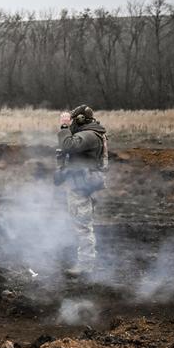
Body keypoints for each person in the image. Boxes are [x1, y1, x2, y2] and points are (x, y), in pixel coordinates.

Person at [57, 104, 108, 277]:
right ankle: (86, 261)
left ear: (79, 120)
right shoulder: (92, 133)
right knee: (81, 224)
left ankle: (86, 265)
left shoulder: (89, 136)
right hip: (80, 183)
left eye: (73, 120)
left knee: (83, 227)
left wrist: (64, 126)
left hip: (81, 186)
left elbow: (68, 145)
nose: (71, 123)